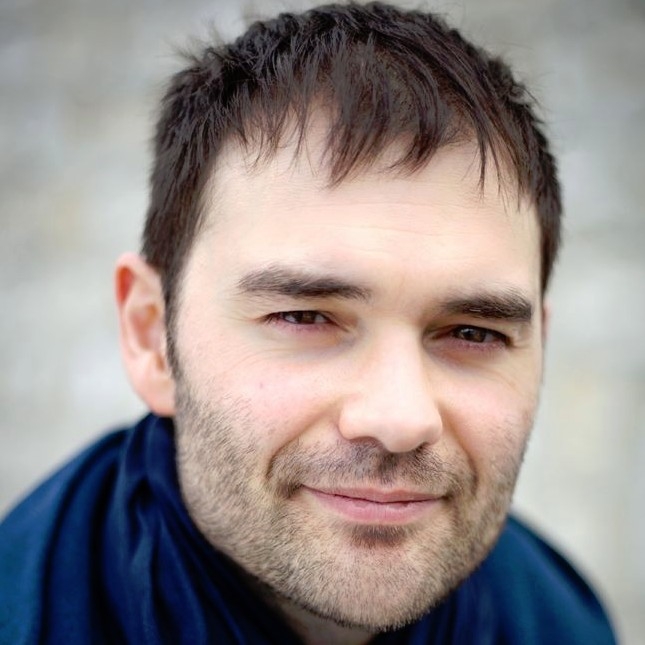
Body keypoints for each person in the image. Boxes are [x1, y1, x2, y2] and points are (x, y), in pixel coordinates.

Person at [0, 2, 616, 643]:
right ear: (152, 336)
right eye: (304, 317)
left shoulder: (563, 622)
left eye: (473, 332)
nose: (399, 420)